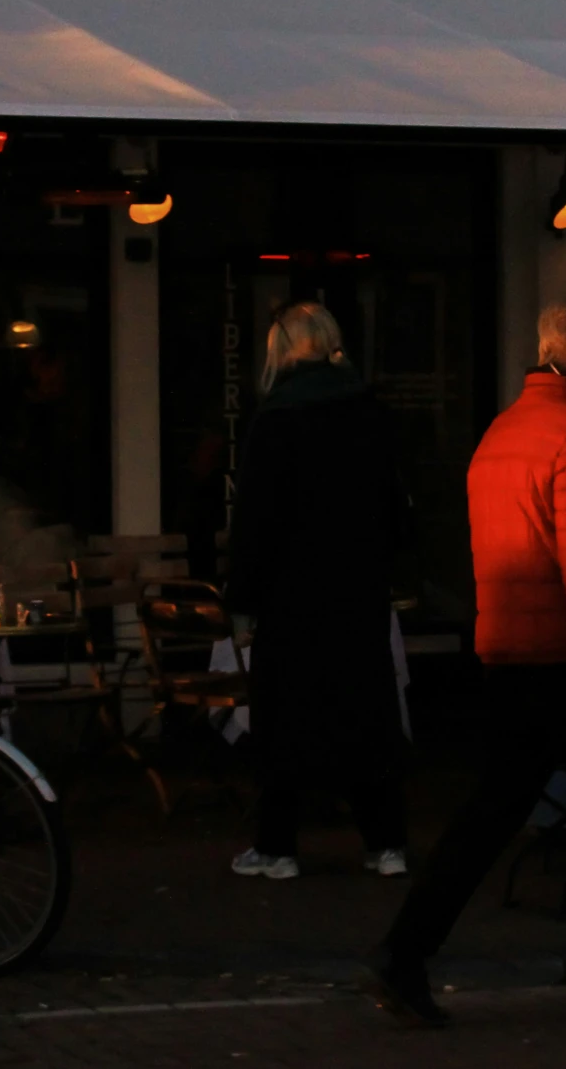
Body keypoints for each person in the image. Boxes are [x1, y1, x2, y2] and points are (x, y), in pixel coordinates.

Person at [366, 294, 566, 1026]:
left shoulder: (502, 430)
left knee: (491, 811)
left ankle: (405, 951)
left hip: (504, 647)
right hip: (562, 655)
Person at [225, 302, 412, 882]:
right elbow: (394, 501)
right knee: (365, 713)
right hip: (356, 589)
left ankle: (278, 845)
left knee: (283, 719)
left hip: (290, 594)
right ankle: (385, 842)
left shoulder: (275, 418)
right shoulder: (368, 411)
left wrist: (244, 601)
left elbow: (254, 520)